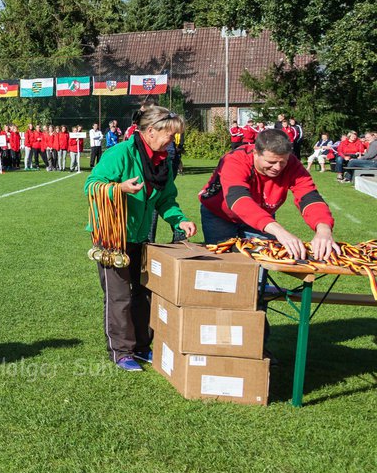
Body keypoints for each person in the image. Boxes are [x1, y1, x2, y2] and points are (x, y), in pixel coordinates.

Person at [85, 105, 196, 372]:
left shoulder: (164, 162)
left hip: (142, 236)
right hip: (113, 236)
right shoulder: (120, 153)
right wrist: (119, 188)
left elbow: (167, 199)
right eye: (169, 135)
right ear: (149, 132)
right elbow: (91, 185)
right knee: (119, 295)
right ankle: (121, 351)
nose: (172, 141)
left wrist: (179, 219)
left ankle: (142, 346)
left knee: (144, 292)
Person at [199, 128, 337, 263]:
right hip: (220, 215)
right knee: (222, 266)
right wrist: (279, 231)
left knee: (262, 264)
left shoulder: (292, 164)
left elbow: (309, 196)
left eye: (282, 162)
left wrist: (323, 229)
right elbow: (238, 199)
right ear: (255, 153)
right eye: (271, 162)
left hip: (262, 216)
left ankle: (260, 286)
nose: (277, 167)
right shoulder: (234, 160)